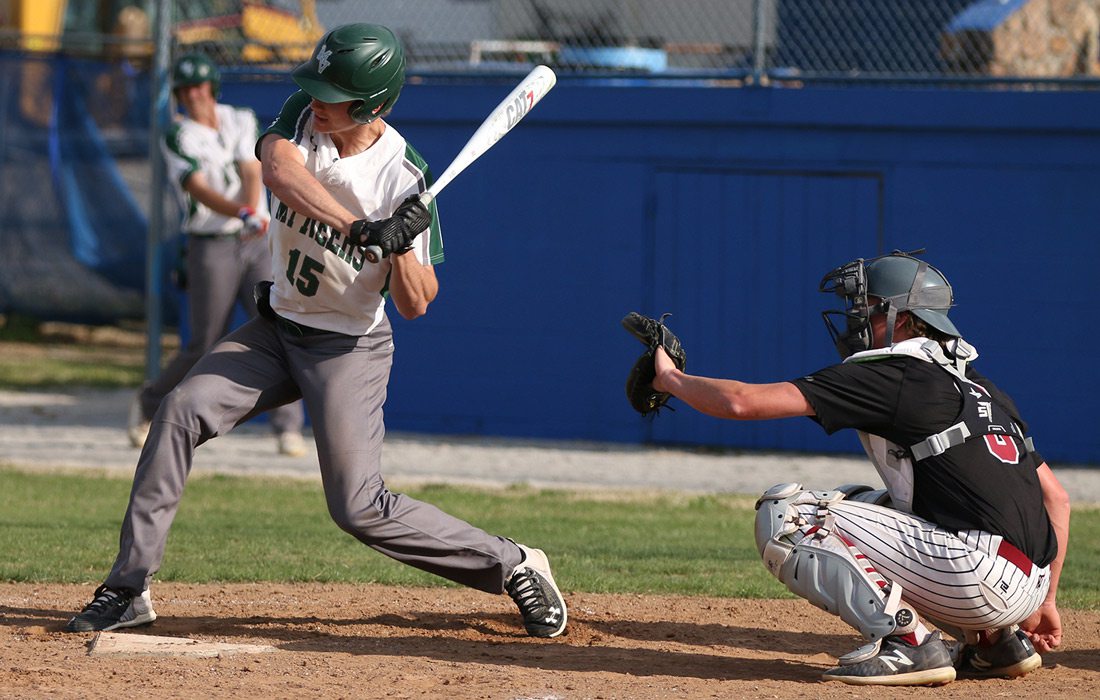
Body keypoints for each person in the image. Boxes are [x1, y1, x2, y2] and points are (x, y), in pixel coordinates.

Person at [64, 24, 567, 640]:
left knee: (357, 507)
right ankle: (129, 584)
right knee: (179, 411)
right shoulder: (307, 115)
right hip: (276, 330)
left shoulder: (405, 179)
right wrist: (361, 227)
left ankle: (513, 564)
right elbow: (277, 171)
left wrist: (402, 242)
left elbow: (417, 305)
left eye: (335, 94)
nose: (317, 99)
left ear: (374, 105)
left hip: (347, 349)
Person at [646, 251, 1068, 687]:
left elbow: (741, 402)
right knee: (865, 500)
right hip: (1026, 586)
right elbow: (1057, 498)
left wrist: (670, 379)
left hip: (975, 577)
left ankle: (909, 643)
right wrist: (1046, 599)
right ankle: (996, 643)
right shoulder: (982, 387)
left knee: (788, 517)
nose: (855, 321)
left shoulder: (896, 373)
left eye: (866, 309)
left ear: (903, 319)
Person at [128, 52, 307, 457]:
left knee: (281, 327)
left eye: (200, 86)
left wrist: (249, 209)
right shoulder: (178, 134)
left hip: (257, 238)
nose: (195, 96)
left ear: (212, 87)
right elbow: (197, 186)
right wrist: (240, 212)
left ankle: (287, 428)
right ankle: (149, 404)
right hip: (211, 243)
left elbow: (250, 168)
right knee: (205, 341)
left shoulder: (239, 118)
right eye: (186, 89)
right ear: (178, 94)